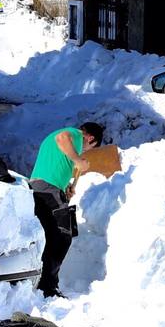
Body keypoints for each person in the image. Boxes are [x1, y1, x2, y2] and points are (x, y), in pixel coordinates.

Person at [29, 121, 103, 298]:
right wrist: (78, 160)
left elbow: (54, 166)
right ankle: (47, 286)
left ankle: (40, 282)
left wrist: (65, 187)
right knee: (62, 236)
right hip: (48, 189)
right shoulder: (74, 134)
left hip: (41, 188)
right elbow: (62, 138)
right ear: (90, 138)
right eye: (89, 148)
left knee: (49, 236)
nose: (84, 151)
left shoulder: (65, 141)